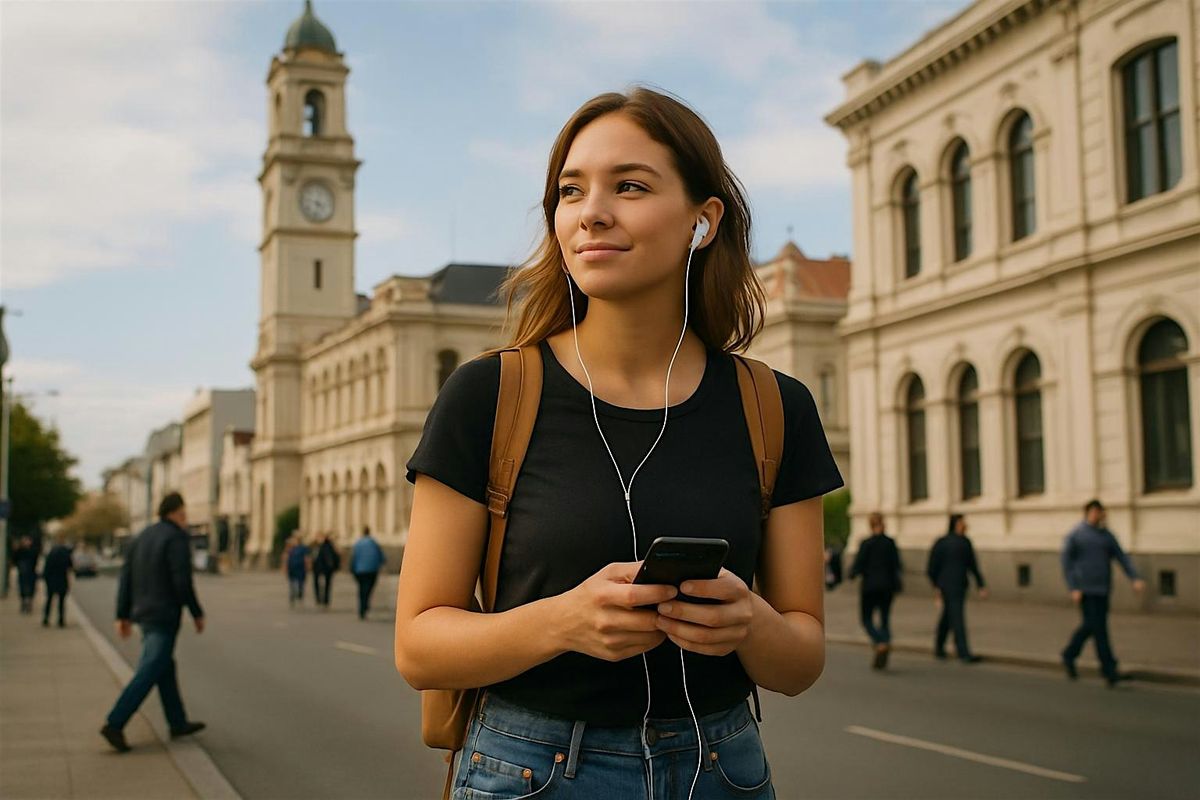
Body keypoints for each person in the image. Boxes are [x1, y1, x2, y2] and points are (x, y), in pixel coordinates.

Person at [394, 87, 843, 800]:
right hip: (531, 770)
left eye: (629, 186)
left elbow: (799, 662)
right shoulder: (489, 395)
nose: (591, 211)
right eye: (571, 192)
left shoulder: (774, 407)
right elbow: (418, 647)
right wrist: (563, 622)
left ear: (703, 220)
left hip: (721, 769)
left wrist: (748, 622)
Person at [100, 492, 205, 752]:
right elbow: (182, 580)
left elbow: (126, 576)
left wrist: (122, 614)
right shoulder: (176, 538)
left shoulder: (142, 536)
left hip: (142, 613)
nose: (186, 518)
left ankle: (177, 721)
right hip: (163, 614)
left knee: (164, 667)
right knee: (150, 669)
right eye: (184, 513)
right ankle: (115, 722)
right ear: (176, 513)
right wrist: (196, 611)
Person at [1060, 499, 1145, 687]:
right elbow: (1067, 563)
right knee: (1096, 627)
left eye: (1100, 512)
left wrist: (1134, 577)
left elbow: (1121, 557)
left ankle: (1070, 654)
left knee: (1096, 627)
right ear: (1088, 513)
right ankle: (1108, 669)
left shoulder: (1106, 536)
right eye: (1095, 512)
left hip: (1103, 588)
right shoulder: (1077, 535)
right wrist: (1073, 587)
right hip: (1085, 590)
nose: (1098, 515)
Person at [927, 514, 987, 663]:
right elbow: (933, 566)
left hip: (954, 584)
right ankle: (963, 652)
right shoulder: (948, 542)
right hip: (950, 585)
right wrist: (936, 585)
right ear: (956, 524)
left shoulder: (960, 542)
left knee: (948, 616)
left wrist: (980, 584)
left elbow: (972, 565)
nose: (965, 525)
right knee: (957, 617)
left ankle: (939, 647)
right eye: (962, 523)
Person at [849, 512, 902, 669]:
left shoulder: (867, 543)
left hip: (870, 586)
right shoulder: (890, 543)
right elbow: (896, 565)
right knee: (885, 618)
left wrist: (851, 574)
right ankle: (885, 641)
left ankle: (880, 642)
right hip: (887, 586)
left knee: (866, 619)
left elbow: (859, 564)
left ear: (871, 525)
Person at [350, 527, 384, 620]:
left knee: (361, 589)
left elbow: (354, 557)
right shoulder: (374, 543)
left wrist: (353, 569)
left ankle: (362, 608)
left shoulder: (358, 543)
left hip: (360, 570)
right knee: (368, 588)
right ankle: (365, 604)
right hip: (372, 570)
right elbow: (381, 556)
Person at [41, 535, 74, 628]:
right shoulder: (66, 554)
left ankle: (46, 618)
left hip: (51, 580)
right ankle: (61, 620)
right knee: (61, 601)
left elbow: (46, 569)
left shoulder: (51, 554)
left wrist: (46, 579)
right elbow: (70, 567)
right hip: (62, 579)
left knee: (49, 600)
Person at [312, 533, 340, 609]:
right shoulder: (331, 547)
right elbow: (336, 557)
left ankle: (319, 598)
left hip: (319, 568)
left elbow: (314, 558)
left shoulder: (319, 547)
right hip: (328, 569)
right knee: (327, 584)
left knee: (317, 583)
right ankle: (325, 599)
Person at [13, 535, 38, 614]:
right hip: (23, 572)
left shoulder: (33, 550)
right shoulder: (20, 550)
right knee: (22, 588)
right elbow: (15, 559)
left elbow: (35, 560)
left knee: (31, 589)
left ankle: (29, 603)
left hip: (30, 573)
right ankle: (24, 604)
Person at [284, 534, 309, 608]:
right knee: (292, 584)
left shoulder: (303, 548)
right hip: (292, 568)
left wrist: (307, 567)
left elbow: (306, 558)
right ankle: (292, 598)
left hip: (300, 568)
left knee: (301, 584)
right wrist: (285, 568)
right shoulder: (290, 548)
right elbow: (285, 557)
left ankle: (300, 596)